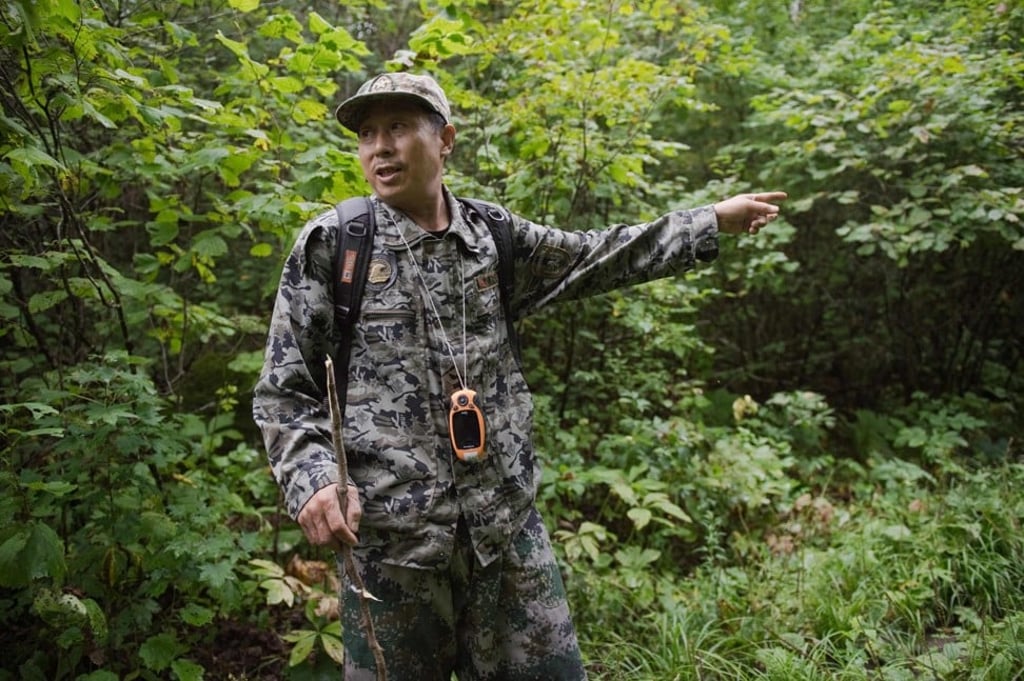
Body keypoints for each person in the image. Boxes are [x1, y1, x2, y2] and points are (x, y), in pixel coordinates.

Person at [253, 71, 786, 680]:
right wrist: (314, 480)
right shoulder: (335, 245)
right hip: (391, 545)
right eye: (368, 133)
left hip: (504, 534)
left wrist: (709, 221)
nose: (379, 147)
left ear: (445, 139)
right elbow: (283, 390)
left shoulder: (492, 238)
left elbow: (596, 256)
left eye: (398, 127)